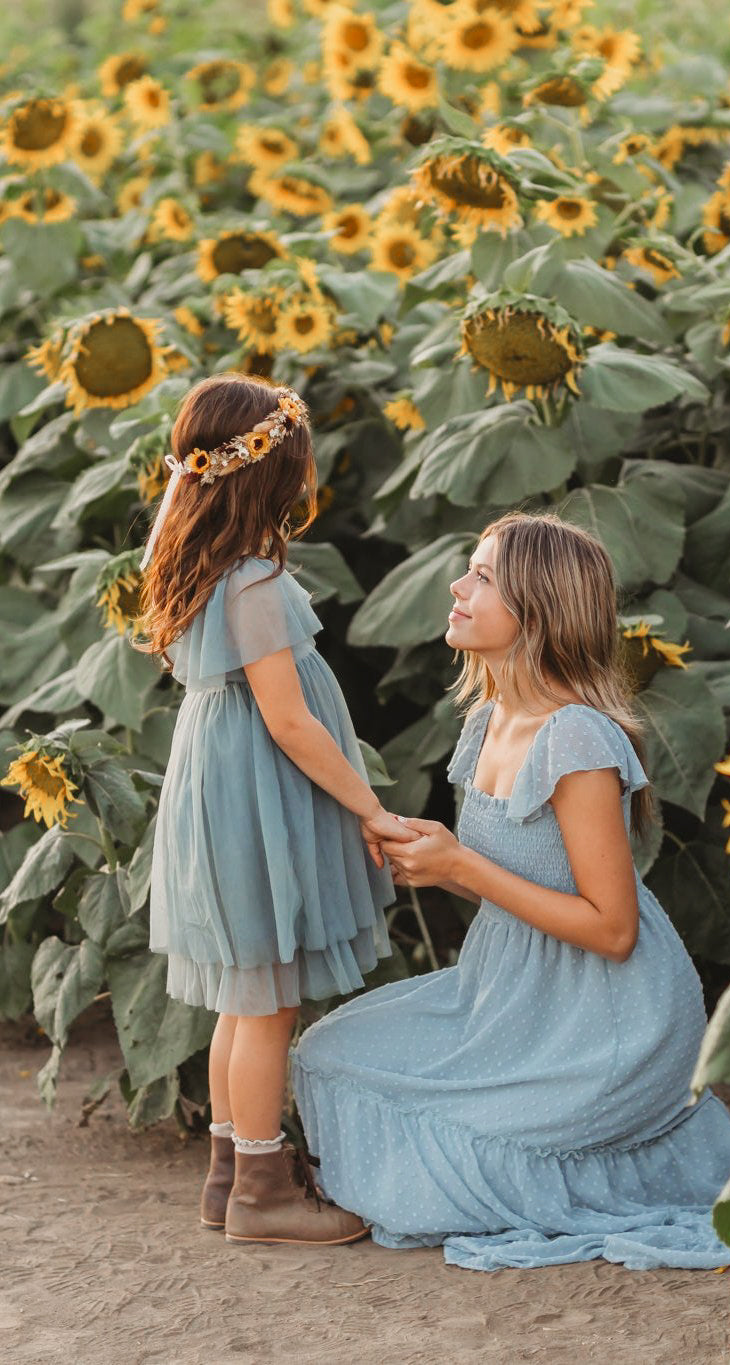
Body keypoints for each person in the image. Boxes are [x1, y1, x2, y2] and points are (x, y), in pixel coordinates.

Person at [291, 511, 730, 1272]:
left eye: (483, 576)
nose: (457, 585)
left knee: (443, 1131)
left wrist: (461, 869)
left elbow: (612, 929)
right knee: (328, 1053)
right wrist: (428, 854)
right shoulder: (488, 716)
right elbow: (520, 877)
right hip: (507, 994)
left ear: (538, 610)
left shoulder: (575, 737)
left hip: (608, 1022)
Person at [139, 373, 415, 1246]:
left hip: (217, 778)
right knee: (265, 1001)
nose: (305, 482)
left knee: (243, 993)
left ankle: (230, 1172)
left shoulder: (192, 562)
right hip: (255, 787)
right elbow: (290, 720)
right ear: (266, 477)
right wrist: (369, 805)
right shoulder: (254, 579)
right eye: (297, 466)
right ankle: (262, 1189)